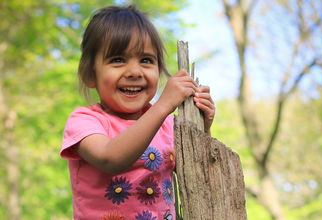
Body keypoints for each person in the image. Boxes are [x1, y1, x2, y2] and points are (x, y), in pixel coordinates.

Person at [60, 4, 215, 220]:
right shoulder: (84, 121)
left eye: (146, 60)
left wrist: (203, 128)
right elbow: (110, 158)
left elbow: (199, 177)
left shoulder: (168, 125)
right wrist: (162, 106)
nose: (134, 72)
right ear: (90, 74)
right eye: (117, 60)